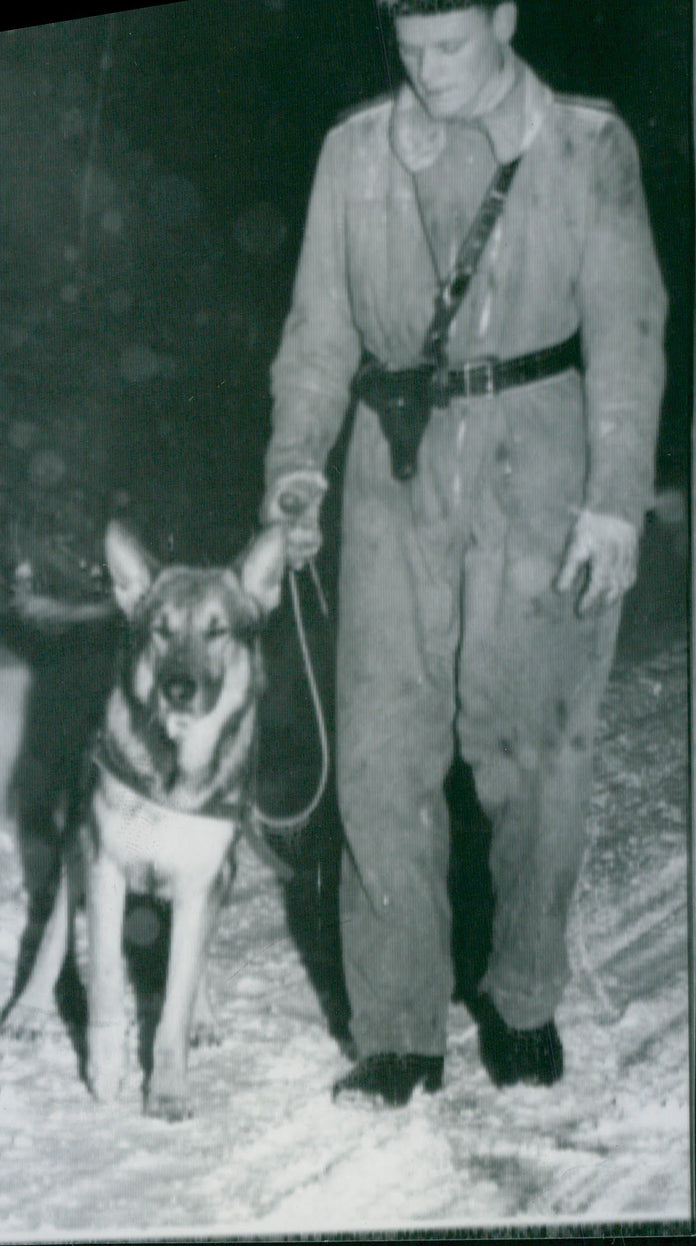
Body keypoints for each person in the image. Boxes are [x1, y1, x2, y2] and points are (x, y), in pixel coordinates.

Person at [262, 0, 666, 1107]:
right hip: (389, 466)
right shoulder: (352, 154)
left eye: (451, 45)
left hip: (538, 461)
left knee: (530, 758)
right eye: (408, 50)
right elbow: (318, 328)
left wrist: (612, 500)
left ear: (503, 15)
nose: (429, 72)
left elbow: (628, 327)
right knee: (385, 752)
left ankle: (524, 999)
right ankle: (395, 1030)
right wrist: (295, 464)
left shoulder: (585, 143)